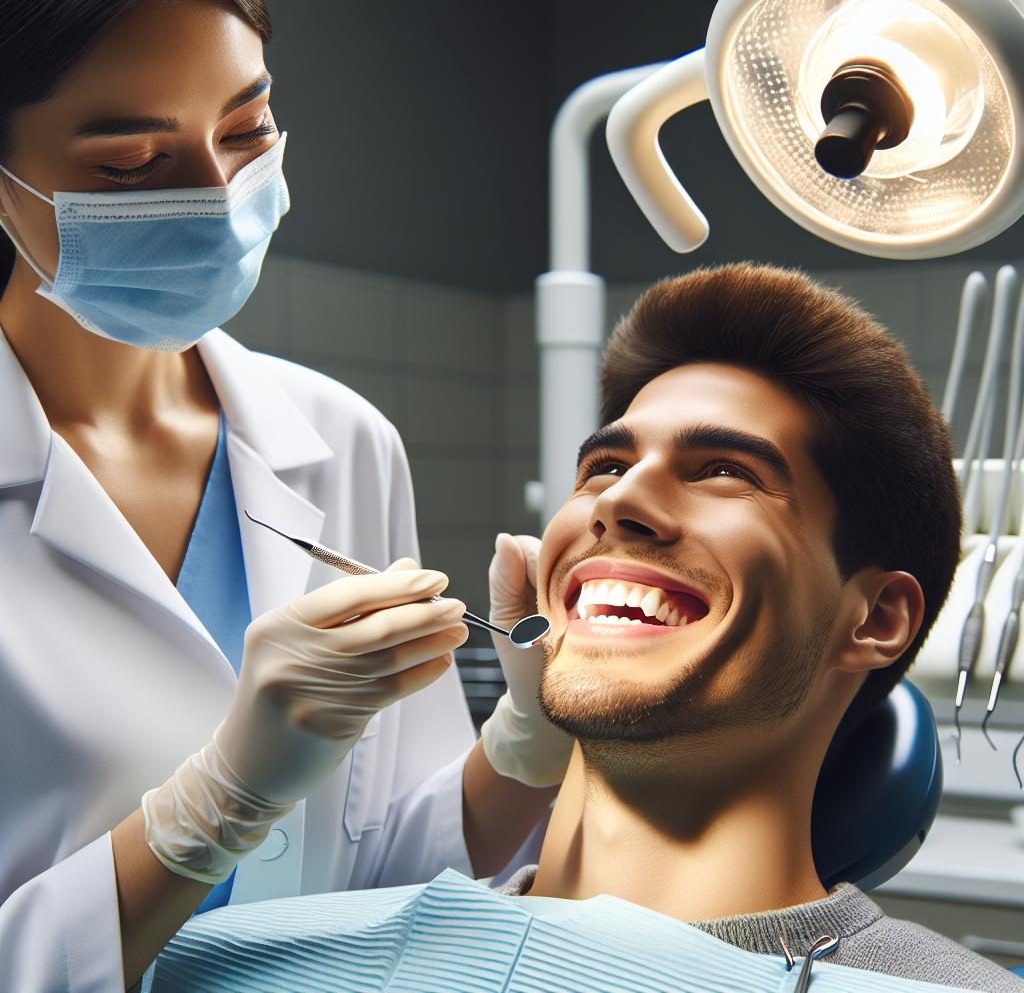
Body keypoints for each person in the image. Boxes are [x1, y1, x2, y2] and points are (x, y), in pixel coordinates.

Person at [150, 264, 1024, 992]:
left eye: (725, 471)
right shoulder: (241, 966)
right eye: (605, 465)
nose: (620, 501)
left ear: (876, 618)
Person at [0, 0, 570, 991]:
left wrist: (520, 752)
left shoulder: (339, 439)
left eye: (247, 127)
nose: (218, 197)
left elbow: (386, 873)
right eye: (131, 163)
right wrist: (212, 806)